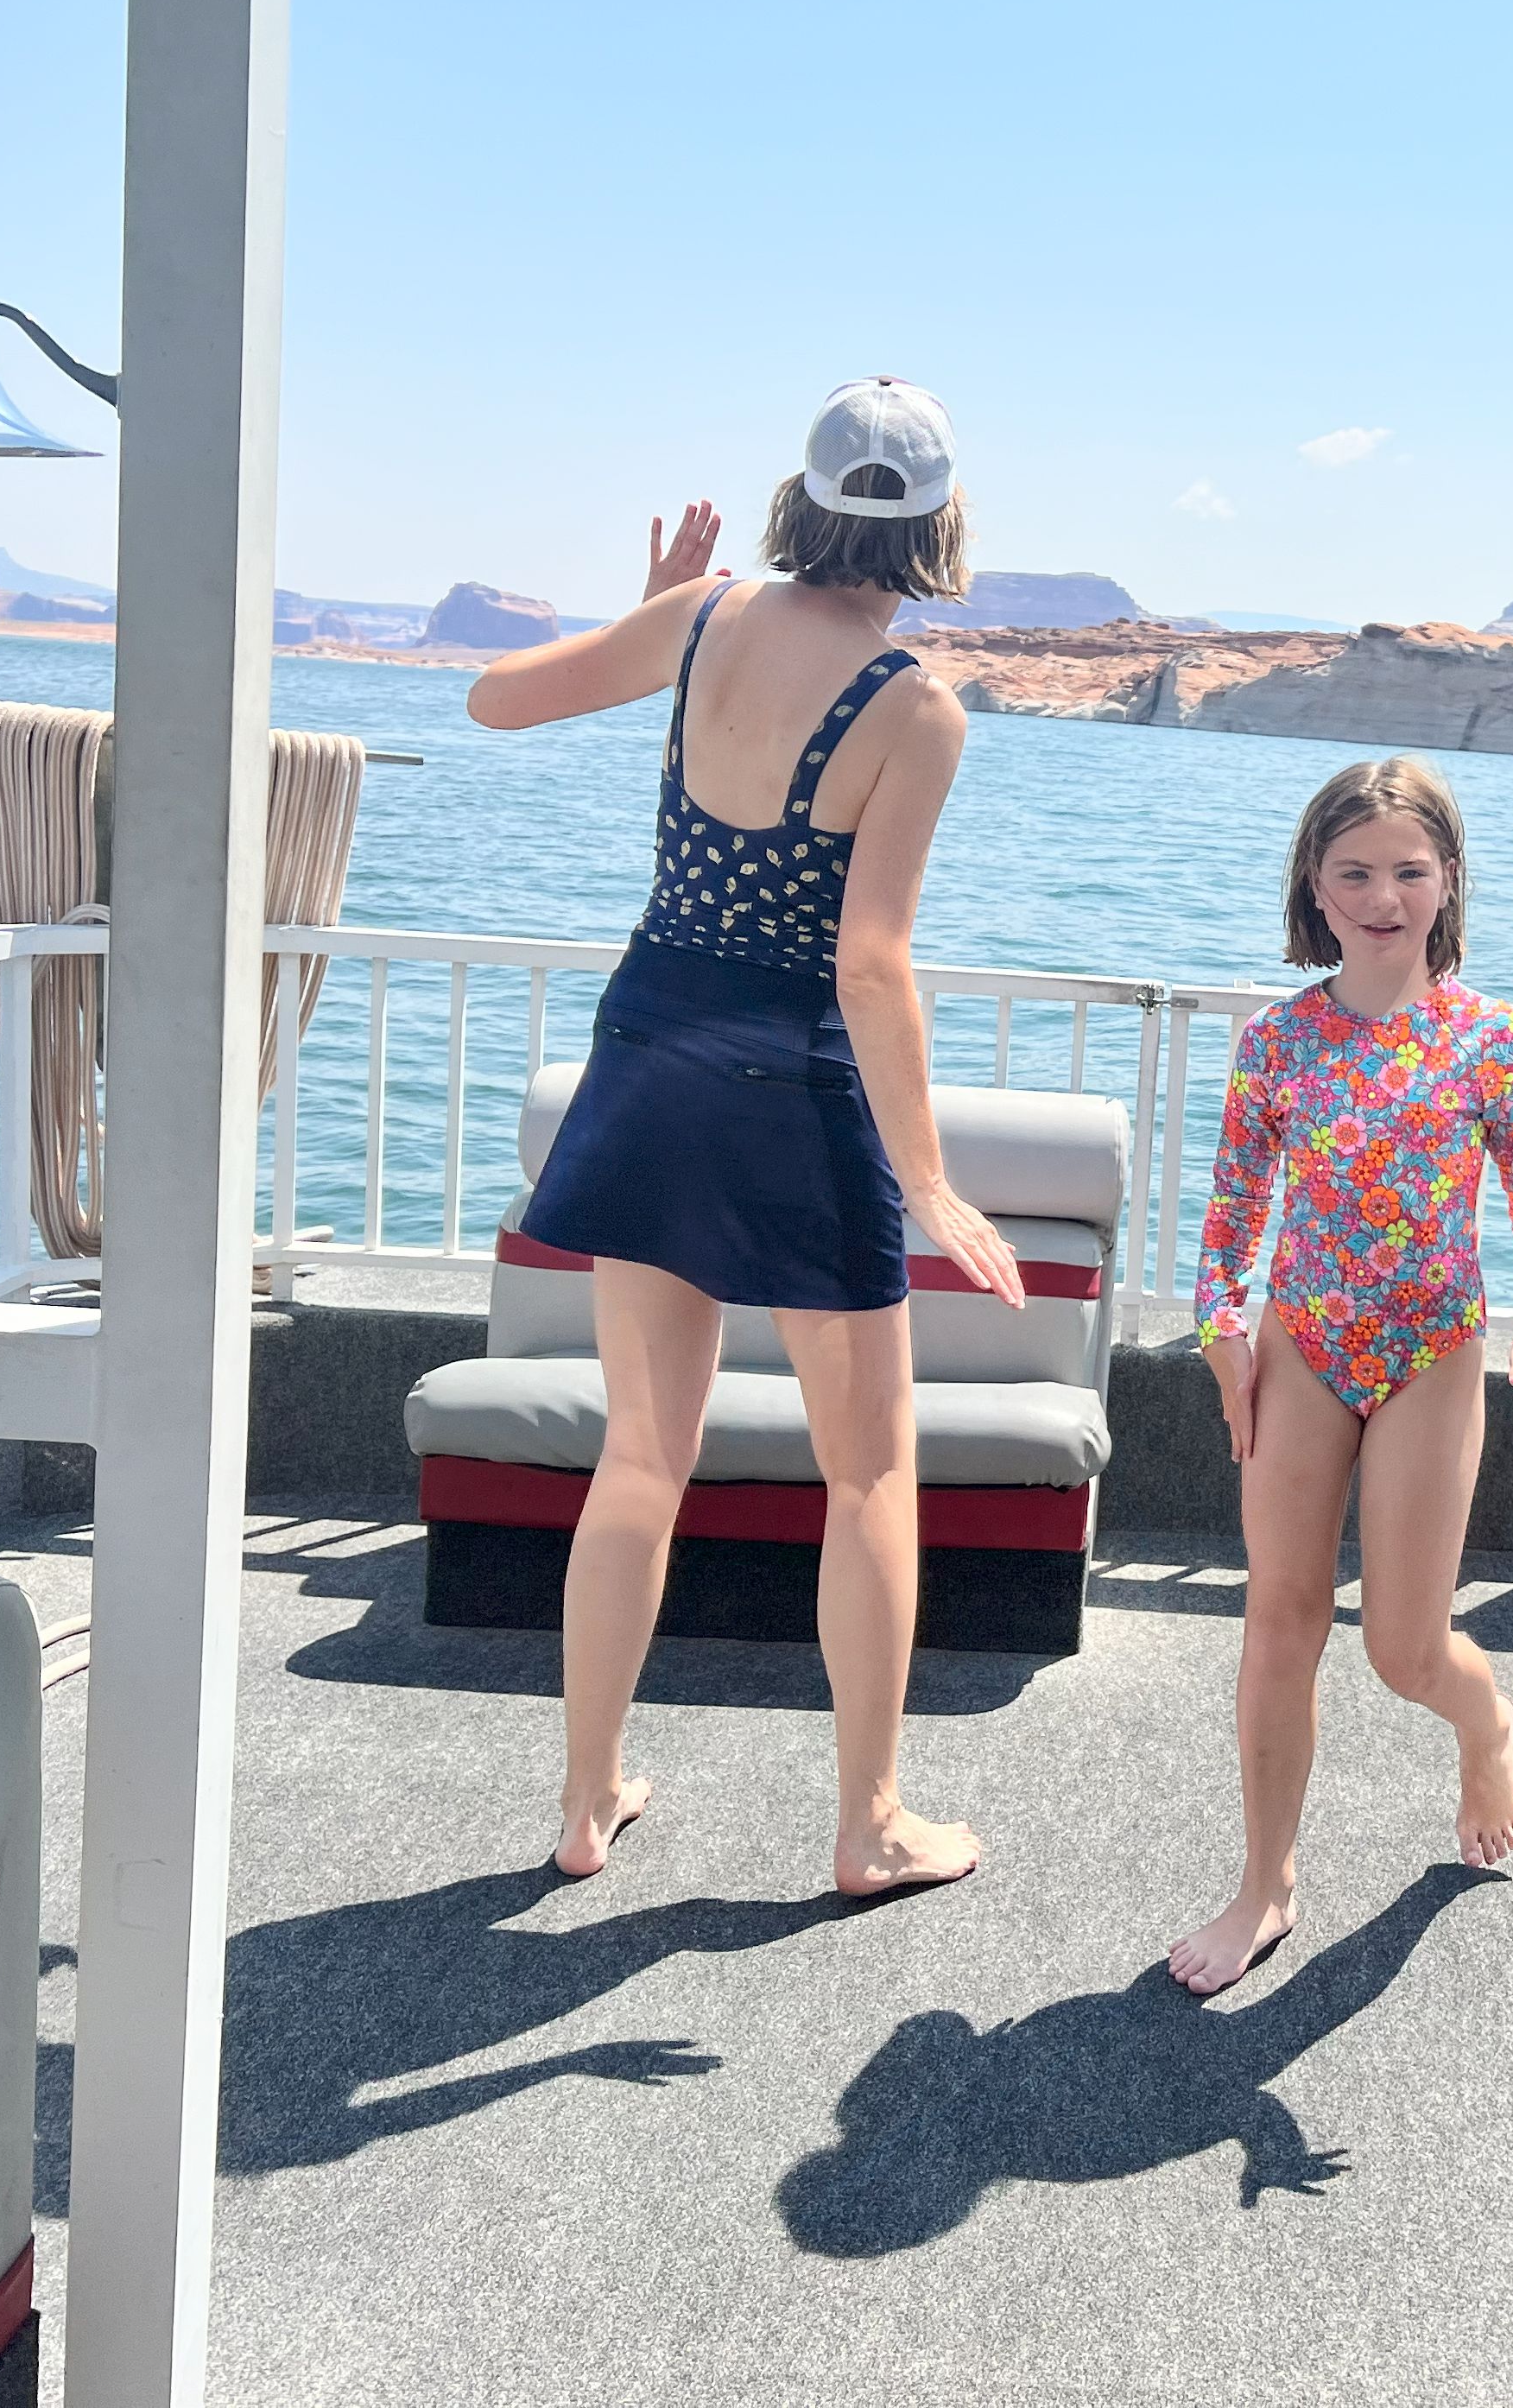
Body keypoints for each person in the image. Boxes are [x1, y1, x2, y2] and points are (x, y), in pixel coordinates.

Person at [465, 377, 1022, 1891]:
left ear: (804, 494)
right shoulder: (915, 709)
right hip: (792, 1077)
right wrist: (926, 1176)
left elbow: (493, 699)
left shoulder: (705, 617)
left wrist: (650, 619)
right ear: (940, 521)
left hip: (648, 1052)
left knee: (641, 1457)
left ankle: (586, 1810)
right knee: (870, 1477)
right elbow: (870, 961)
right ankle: (871, 1824)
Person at [1166, 757, 1513, 1996]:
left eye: (1409, 869)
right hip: (1304, 1349)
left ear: (1449, 880)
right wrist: (1219, 1327)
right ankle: (1265, 1885)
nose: (1382, 895)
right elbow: (1234, 1210)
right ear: (1314, 883)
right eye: (1354, 871)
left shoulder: (1492, 1040)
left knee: (1402, 1651)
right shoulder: (1278, 1041)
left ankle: (1486, 1727)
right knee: (1279, 1621)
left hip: (1432, 1354)